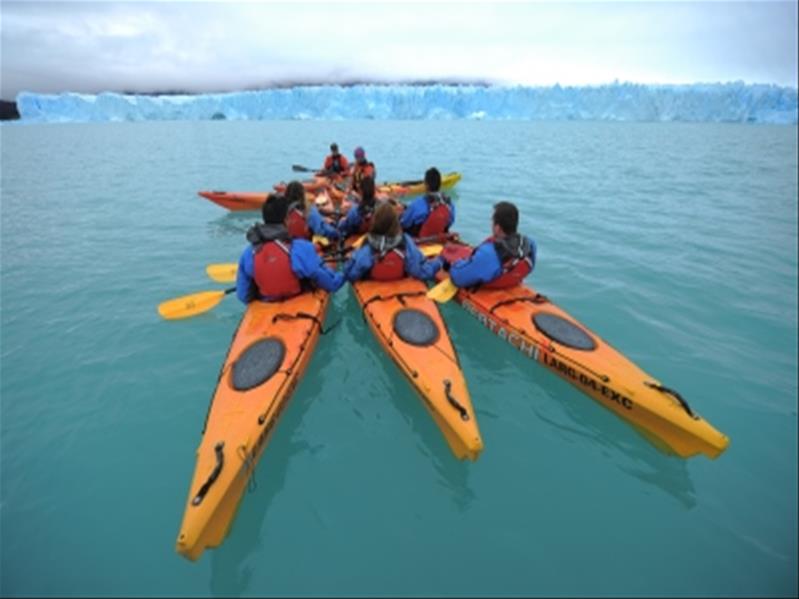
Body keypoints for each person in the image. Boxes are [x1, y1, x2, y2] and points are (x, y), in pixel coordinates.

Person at [236, 194, 345, 303]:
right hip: (298, 299)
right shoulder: (301, 248)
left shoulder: (248, 253)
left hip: (266, 302)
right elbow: (330, 284)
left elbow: (243, 296)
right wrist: (343, 275)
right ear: (286, 220)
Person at [442, 201, 536, 289]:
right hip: (510, 281)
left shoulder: (489, 253)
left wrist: (452, 265)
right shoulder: (530, 244)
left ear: (497, 228)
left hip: (490, 285)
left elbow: (458, 279)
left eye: (492, 221)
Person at [343, 202, 443, 283]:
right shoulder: (405, 241)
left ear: (375, 222)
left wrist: (351, 259)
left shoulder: (368, 245)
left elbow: (351, 275)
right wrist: (438, 262)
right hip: (399, 280)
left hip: (374, 284)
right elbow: (421, 272)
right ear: (396, 222)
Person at [399, 167, 455, 238]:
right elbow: (450, 221)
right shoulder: (449, 204)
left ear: (426, 185)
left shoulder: (418, 203)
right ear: (440, 185)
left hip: (418, 238)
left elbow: (404, 223)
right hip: (438, 235)